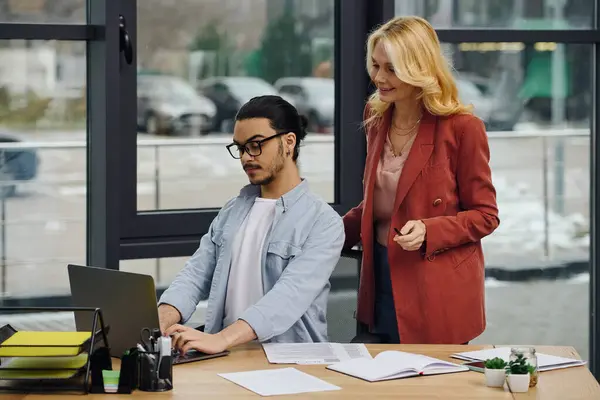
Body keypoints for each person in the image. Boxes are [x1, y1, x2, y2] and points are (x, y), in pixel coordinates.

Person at [343, 16, 499, 345]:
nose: (379, 78)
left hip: (435, 289)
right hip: (381, 279)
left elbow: (486, 215)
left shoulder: (462, 128)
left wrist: (430, 229)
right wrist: (322, 235)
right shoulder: (376, 119)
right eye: (375, 66)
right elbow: (378, 204)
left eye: (391, 69)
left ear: (419, 69)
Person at [158, 95, 345, 354]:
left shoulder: (323, 223)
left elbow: (287, 297)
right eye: (241, 147)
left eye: (256, 145)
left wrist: (222, 339)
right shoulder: (232, 211)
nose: (247, 157)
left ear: (289, 142)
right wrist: (157, 323)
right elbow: (194, 276)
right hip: (224, 355)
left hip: (291, 360)